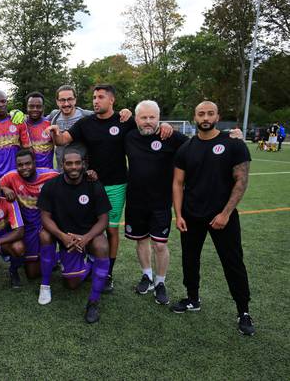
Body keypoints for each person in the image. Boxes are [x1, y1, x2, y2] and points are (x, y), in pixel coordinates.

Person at [47, 84, 171, 292]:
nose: (96, 100)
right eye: (94, 97)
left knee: (111, 229)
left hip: (116, 185)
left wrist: (164, 125)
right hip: (90, 185)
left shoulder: (124, 121)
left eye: (101, 97)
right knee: (86, 225)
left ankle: (107, 273)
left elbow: (147, 127)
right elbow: (61, 141)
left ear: (112, 100)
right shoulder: (86, 123)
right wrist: (55, 133)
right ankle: (85, 261)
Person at [172, 101, 255, 336]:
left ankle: (243, 311)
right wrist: (178, 215)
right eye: (201, 114)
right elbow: (178, 183)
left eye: (210, 113)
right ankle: (192, 298)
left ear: (218, 116)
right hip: (191, 215)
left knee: (233, 263)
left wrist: (225, 213)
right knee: (190, 259)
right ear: (194, 117)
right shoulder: (186, 148)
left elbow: (241, 181)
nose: (205, 117)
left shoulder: (234, 144)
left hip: (223, 217)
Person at [124, 100, 188, 305]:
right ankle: (147, 276)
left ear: (159, 118)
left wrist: (231, 136)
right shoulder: (130, 136)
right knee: (141, 240)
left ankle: (160, 282)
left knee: (160, 245)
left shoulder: (170, 136)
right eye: (144, 117)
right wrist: (123, 111)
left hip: (160, 202)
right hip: (135, 201)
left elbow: (200, 145)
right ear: (136, 119)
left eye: (152, 117)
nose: (148, 122)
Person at [37, 148, 111, 322]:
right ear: (62, 165)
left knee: (102, 245)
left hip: (87, 236)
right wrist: (62, 236)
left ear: (83, 164)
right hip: (64, 236)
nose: (74, 167)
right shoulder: (52, 186)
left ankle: (93, 302)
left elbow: (103, 220)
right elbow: (45, 218)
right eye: (69, 163)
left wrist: (86, 238)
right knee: (71, 283)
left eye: (77, 163)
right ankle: (45, 285)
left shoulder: (94, 184)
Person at [0, 149, 59, 292]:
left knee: (46, 239)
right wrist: (4, 188)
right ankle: (53, 260)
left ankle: (53, 257)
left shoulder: (50, 175)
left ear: (34, 163)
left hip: (46, 223)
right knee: (32, 274)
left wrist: (88, 174)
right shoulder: (11, 176)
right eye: (20, 165)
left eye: (28, 164)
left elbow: (70, 176)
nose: (24, 168)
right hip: (29, 228)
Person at [24, 92, 54, 169]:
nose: (35, 109)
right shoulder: (21, 125)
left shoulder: (50, 125)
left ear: (43, 107)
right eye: (31, 106)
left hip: (47, 173)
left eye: (38, 106)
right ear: (26, 107)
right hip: (27, 173)